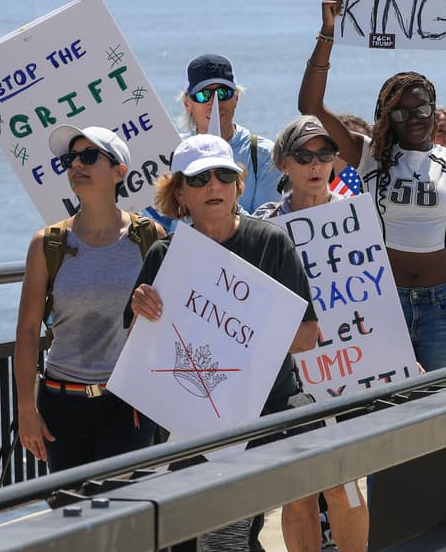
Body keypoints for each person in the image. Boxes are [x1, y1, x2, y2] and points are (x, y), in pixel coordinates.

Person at [299, 0, 446, 372]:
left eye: (422, 109)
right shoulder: (370, 156)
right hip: (384, 302)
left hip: (445, 305)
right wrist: (327, 33)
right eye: (400, 112)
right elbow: (310, 106)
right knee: (385, 403)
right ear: (387, 117)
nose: (414, 118)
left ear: (434, 109)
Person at [128, 134, 325, 552]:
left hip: (272, 408)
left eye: (223, 175)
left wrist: (243, 331)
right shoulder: (163, 256)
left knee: (298, 500)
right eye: (199, 179)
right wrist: (140, 310)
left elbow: (308, 336)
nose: (213, 186)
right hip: (195, 418)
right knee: (207, 537)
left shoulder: (271, 242)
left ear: (238, 185)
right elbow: (138, 348)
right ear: (179, 193)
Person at [250, 116, 369, 552]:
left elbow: (377, 292)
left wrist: (396, 352)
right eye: (303, 156)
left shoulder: (356, 213)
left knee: (342, 484)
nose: (316, 164)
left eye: (325, 153)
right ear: (284, 163)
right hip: (288, 377)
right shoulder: (264, 224)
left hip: (347, 366)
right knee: (298, 489)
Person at [15, 126, 161, 471]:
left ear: (119, 172)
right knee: (72, 503)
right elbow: (27, 331)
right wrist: (26, 410)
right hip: (62, 403)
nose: (76, 165)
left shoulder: (148, 237)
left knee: (119, 501)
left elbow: (169, 319)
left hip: (129, 402)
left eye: (89, 156)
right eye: (71, 159)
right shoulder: (47, 243)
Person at [180, 54, 281, 213]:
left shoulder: (264, 155)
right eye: (203, 95)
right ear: (188, 104)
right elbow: (162, 219)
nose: (214, 103)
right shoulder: (174, 153)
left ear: (236, 98)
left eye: (223, 93)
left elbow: (267, 223)